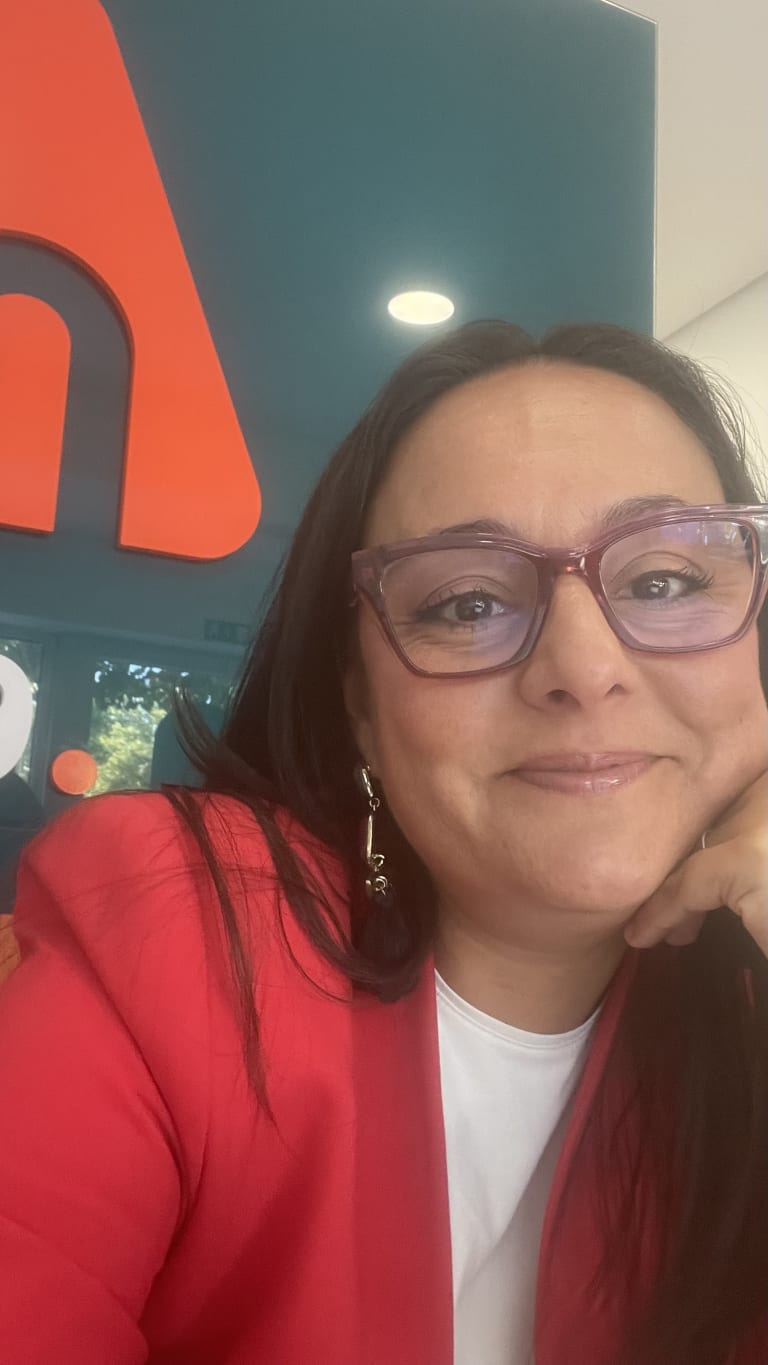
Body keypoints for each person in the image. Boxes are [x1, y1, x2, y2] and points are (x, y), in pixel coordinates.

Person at [0, 321, 766, 1365]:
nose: (585, 669)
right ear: (360, 703)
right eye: (468, 601)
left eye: (664, 580)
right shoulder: (170, 932)